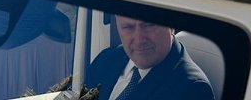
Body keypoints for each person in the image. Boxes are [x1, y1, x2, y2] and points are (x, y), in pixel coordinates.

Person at [84, 15, 214, 100]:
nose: (139, 39)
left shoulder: (192, 90)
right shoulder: (105, 60)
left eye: (149, 25)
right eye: (128, 27)